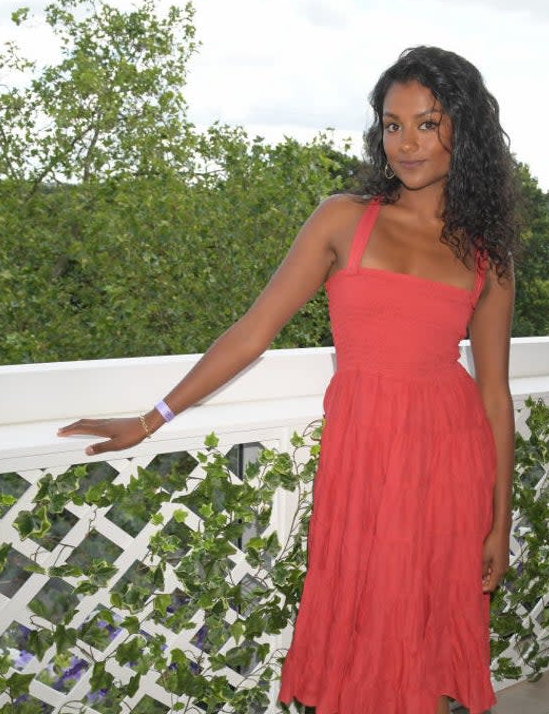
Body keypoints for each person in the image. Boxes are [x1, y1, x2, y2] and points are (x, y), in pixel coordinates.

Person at [58, 45, 519, 714]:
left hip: (449, 458)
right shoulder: (344, 219)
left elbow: (494, 395)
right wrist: (151, 417)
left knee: (421, 623)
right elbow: (252, 333)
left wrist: (502, 523)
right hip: (364, 456)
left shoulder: (486, 253)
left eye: (428, 122)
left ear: (464, 130)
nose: (407, 142)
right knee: (366, 616)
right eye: (393, 125)